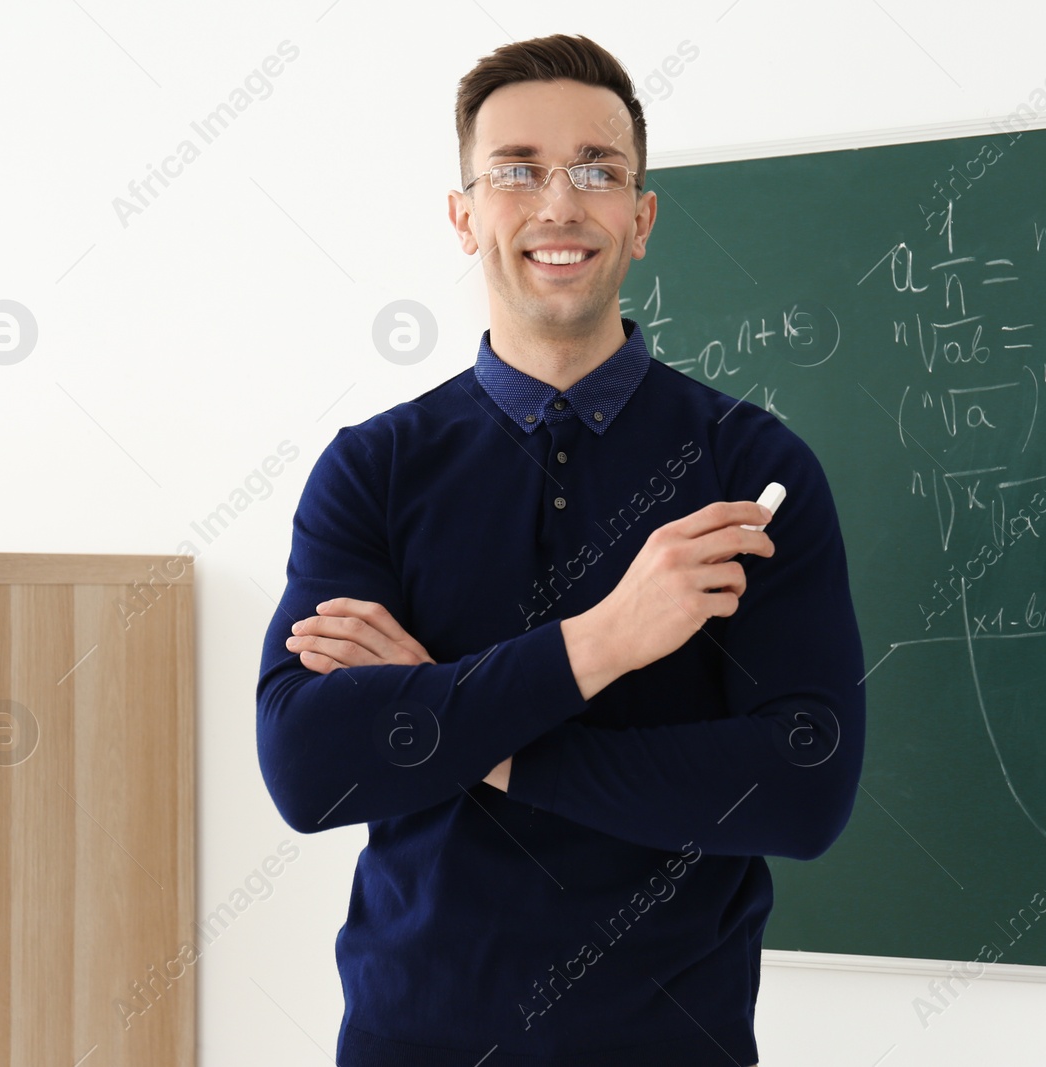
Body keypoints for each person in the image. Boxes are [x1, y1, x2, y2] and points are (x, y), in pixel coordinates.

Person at [256, 32, 864, 1067]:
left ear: (642, 217)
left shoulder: (753, 468)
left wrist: (463, 734)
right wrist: (603, 640)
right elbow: (312, 768)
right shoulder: (375, 469)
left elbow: (801, 787)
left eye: (596, 170)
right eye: (516, 171)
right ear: (462, 215)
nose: (557, 204)